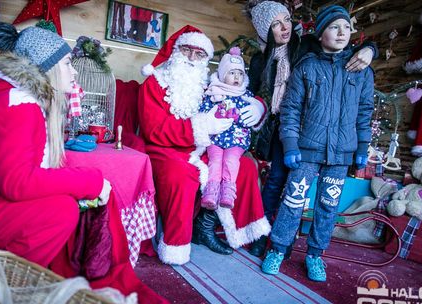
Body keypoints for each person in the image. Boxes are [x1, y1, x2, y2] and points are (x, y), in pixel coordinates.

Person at [0, 23, 164, 302]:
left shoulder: (20, 101)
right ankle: (4, 288)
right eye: (68, 63)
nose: (74, 71)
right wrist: (91, 182)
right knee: (59, 211)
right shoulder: (19, 105)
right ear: (49, 66)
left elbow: (31, 171)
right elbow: (18, 183)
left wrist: (84, 181)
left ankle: (7, 277)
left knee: (63, 203)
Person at [245, 0, 377, 257]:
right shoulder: (261, 60)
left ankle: (289, 239)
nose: (285, 27)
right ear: (264, 32)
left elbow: (342, 48)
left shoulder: (305, 45)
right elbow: (252, 93)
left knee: (299, 188)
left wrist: (371, 49)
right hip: (280, 127)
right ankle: (262, 235)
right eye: (276, 24)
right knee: (275, 183)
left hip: (309, 129)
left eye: (286, 19)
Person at [139, 25, 271, 265]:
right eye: (187, 50)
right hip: (164, 149)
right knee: (182, 174)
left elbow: (237, 91)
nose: (191, 58)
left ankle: (206, 226)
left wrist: (259, 106)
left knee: (246, 167)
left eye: (199, 54)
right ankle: (176, 244)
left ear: (206, 60)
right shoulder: (155, 83)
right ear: (176, 51)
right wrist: (200, 126)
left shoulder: (208, 85)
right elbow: (153, 130)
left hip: (204, 148)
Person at [199, 47, 262, 210]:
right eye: (232, 73)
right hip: (216, 138)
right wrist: (213, 117)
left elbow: (249, 119)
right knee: (215, 160)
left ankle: (228, 190)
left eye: (240, 74)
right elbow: (203, 112)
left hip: (236, 140)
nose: (237, 77)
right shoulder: (213, 92)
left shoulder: (244, 96)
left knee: (231, 160)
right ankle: (211, 191)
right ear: (222, 75)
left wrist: (238, 116)